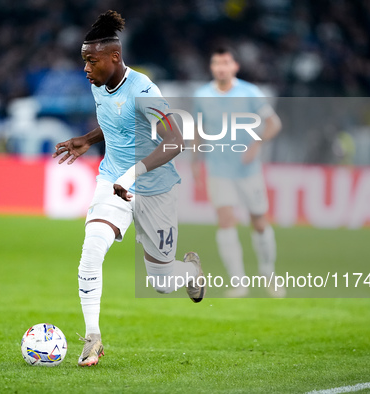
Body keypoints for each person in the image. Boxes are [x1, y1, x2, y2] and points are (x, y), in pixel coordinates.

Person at [52, 10, 206, 367]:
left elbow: (175, 140)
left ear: (115, 57)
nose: (86, 69)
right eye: (84, 61)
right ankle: (93, 338)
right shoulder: (99, 85)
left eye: (91, 61)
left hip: (153, 188)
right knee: (91, 250)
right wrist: (89, 139)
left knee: (163, 282)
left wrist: (133, 175)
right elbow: (116, 122)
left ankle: (191, 271)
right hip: (112, 180)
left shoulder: (145, 91)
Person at [193, 46, 283, 298]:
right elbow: (199, 129)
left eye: (225, 63)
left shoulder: (250, 92)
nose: (221, 68)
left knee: (259, 221)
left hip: (247, 170)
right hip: (217, 169)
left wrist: (256, 146)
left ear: (234, 67)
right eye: (216, 63)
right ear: (212, 68)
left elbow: (274, 123)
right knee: (225, 221)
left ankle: (268, 273)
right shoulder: (202, 95)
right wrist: (194, 161)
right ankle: (238, 283)